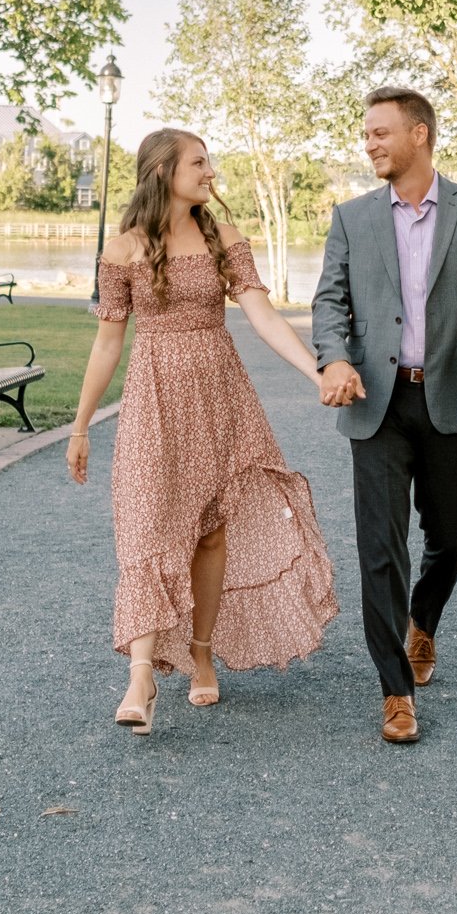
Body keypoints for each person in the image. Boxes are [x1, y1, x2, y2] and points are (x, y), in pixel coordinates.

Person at [66, 129, 338, 736]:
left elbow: (263, 316)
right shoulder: (124, 249)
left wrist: (315, 372)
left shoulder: (224, 239)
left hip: (219, 397)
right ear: (163, 171)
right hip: (153, 402)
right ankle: (140, 674)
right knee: (144, 528)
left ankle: (201, 650)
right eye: (199, 162)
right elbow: (109, 342)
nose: (210, 172)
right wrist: (81, 425)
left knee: (211, 533)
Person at [312, 86, 457, 744]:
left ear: (419, 134)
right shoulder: (351, 217)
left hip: (452, 399)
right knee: (379, 547)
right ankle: (395, 690)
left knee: (449, 536)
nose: (369, 142)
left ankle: (422, 618)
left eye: (380, 132)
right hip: (376, 402)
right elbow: (328, 303)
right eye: (366, 133)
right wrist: (334, 360)